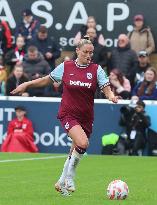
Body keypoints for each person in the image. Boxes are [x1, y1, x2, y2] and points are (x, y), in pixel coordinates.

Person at [11, 37, 118, 196]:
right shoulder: (66, 67)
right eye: (85, 52)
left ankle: (61, 181)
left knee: (75, 148)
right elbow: (46, 80)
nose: (89, 55)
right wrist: (27, 84)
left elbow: (106, 87)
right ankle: (69, 177)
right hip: (68, 113)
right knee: (83, 143)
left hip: (86, 116)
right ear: (77, 51)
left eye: (91, 52)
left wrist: (111, 96)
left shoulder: (96, 69)